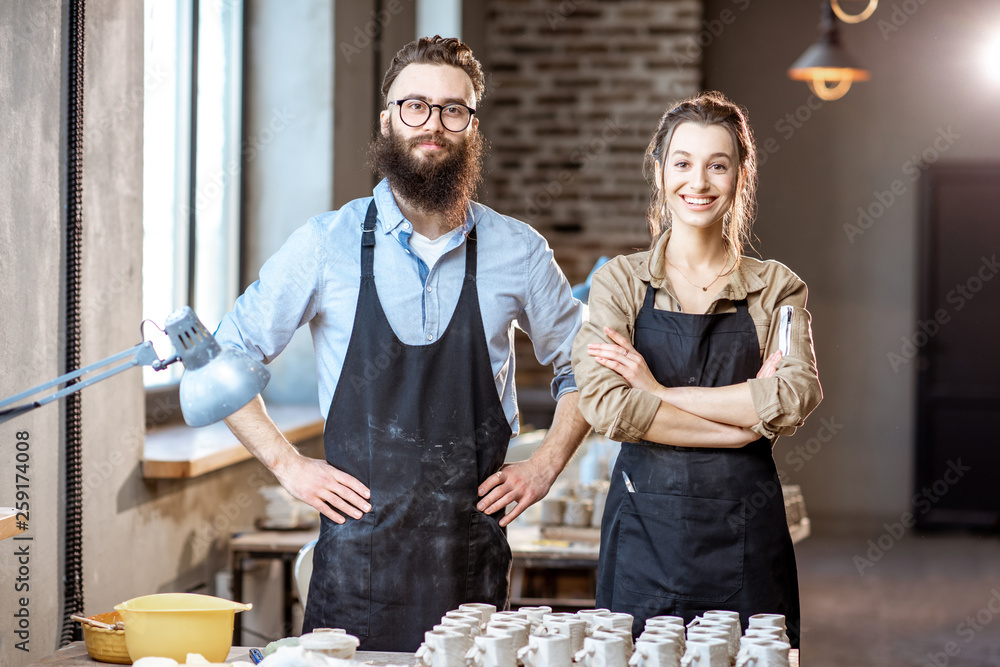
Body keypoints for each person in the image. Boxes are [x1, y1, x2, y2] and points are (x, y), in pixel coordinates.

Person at [215, 36, 591, 651]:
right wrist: (288, 465)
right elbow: (230, 356)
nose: (433, 124)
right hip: (353, 577)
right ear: (387, 116)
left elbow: (586, 366)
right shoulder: (324, 244)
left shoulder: (518, 250)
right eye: (415, 105)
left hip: (469, 577)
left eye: (452, 109)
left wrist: (546, 465)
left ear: (472, 125)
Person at [571, 91, 822, 647]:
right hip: (642, 538)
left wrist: (656, 389)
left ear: (740, 175)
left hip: (747, 538)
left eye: (718, 164)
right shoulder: (620, 282)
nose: (698, 182)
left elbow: (795, 395)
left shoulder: (776, 286)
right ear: (659, 171)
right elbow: (608, 405)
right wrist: (741, 426)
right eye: (682, 163)